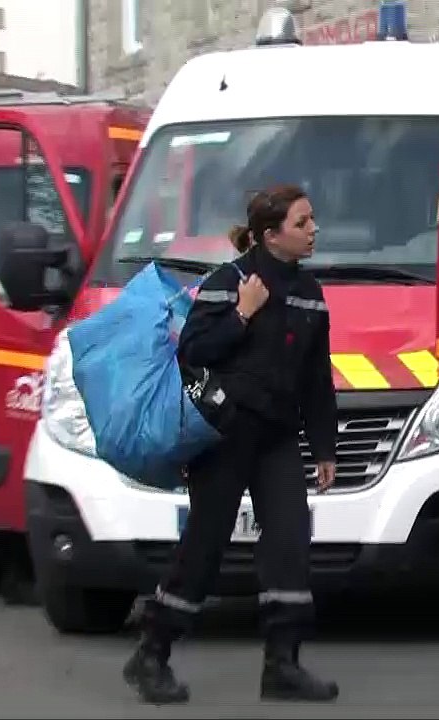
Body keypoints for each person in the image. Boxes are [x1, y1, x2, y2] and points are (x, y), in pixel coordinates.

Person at [122, 183, 340, 705]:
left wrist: (326, 447)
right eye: (303, 223)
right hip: (225, 436)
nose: (314, 231)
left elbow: (316, 378)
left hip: (278, 438)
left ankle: (282, 666)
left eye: (312, 221)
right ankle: (151, 653)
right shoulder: (226, 284)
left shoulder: (311, 293)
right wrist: (242, 314)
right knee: (206, 545)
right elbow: (193, 351)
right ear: (271, 235)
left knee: (289, 541)